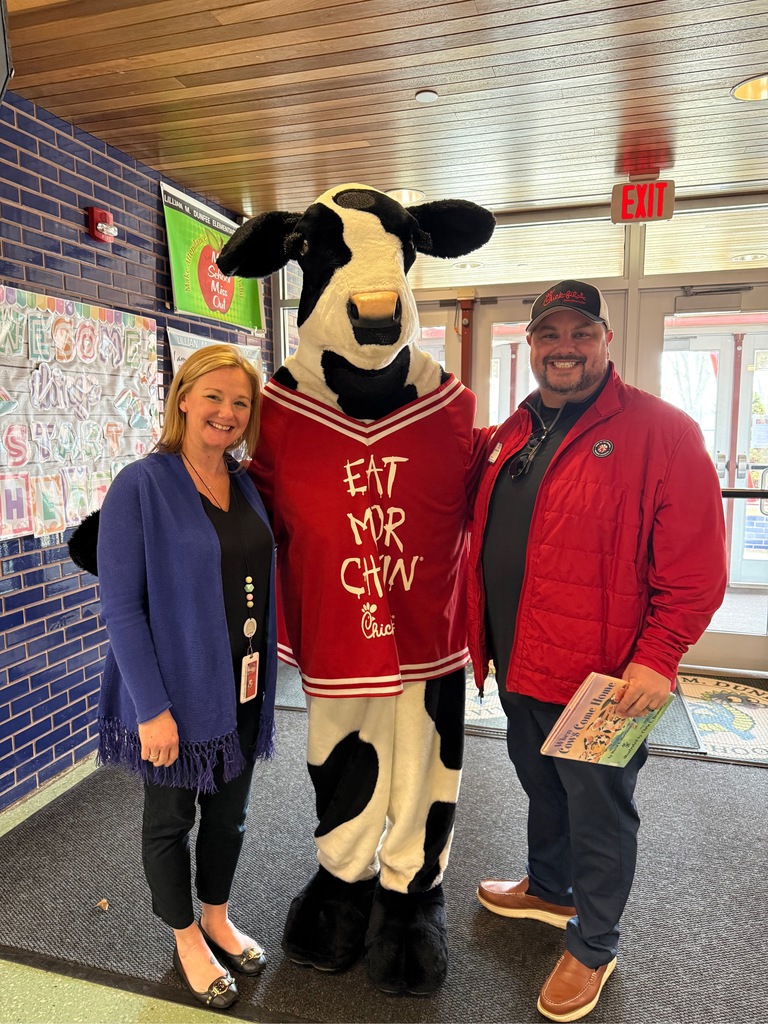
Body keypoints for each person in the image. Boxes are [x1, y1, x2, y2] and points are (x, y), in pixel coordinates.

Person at [467, 280, 727, 1022]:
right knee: (539, 783)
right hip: (518, 662)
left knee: (602, 811)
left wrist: (659, 656)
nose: (565, 349)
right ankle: (550, 888)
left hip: (607, 679)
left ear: (605, 342)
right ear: (532, 347)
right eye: (551, 336)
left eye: (581, 334)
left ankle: (594, 945)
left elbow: (696, 568)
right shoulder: (512, 433)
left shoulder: (662, 432)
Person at [96, 344, 277, 1012]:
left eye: (240, 403)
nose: (227, 413)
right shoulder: (141, 485)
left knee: (229, 817)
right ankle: (185, 937)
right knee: (171, 819)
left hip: (246, 685)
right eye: (214, 397)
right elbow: (121, 606)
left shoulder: (245, 482)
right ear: (182, 399)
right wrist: (151, 710)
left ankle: (217, 917)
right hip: (176, 693)